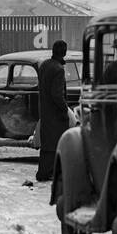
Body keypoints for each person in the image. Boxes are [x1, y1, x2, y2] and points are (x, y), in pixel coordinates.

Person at [36, 41, 71, 182]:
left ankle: (44, 172)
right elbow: (57, 94)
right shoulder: (58, 69)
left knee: (47, 143)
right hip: (56, 113)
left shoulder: (44, 65)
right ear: (64, 52)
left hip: (45, 111)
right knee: (57, 142)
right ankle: (51, 172)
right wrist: (65, 109)